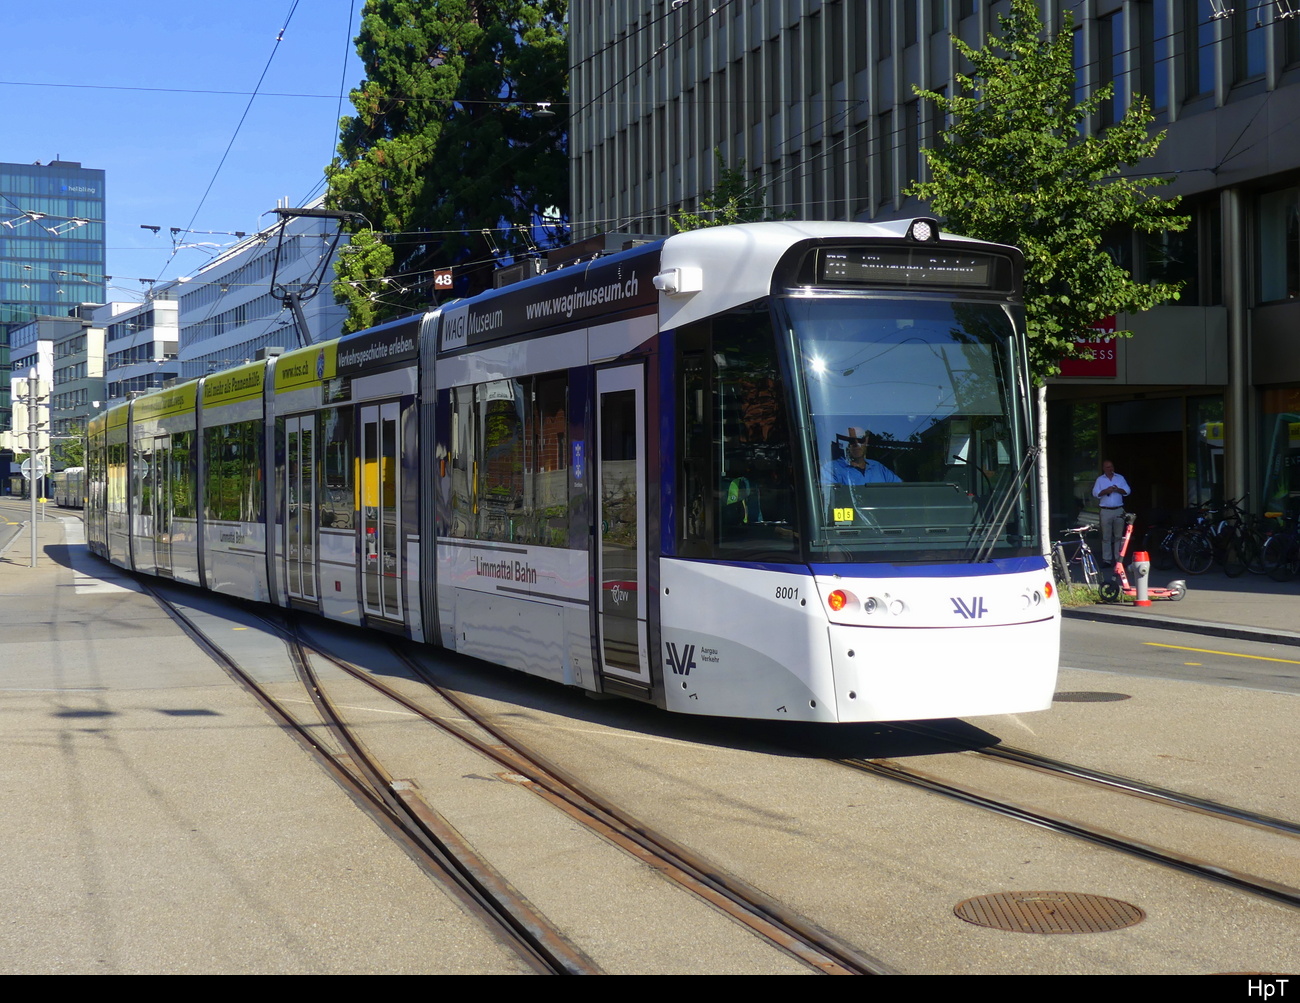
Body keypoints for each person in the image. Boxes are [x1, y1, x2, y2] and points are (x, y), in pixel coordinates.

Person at [821, 426, 901, 485]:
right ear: (845, 443)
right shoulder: (831, 469)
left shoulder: (878, 467)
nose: (856, 444)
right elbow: (832, 499)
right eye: (851, 441)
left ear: (866, 441)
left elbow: (901, 490)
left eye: (860, 439)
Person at [1092, 459, 1131, 566]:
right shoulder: (1100, 480)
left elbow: (1127, 491)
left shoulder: (1120, 478)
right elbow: (1095, 493)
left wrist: (1117, 489)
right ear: (1104, 468)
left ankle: (1118, 559)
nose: (1110, 469)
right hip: (1106, 510)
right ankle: (1107, 560)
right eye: (1108, 467)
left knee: (1119, 536)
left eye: (1112, 467)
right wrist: (1106, 491)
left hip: (1118, 509)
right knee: (1106, 537)